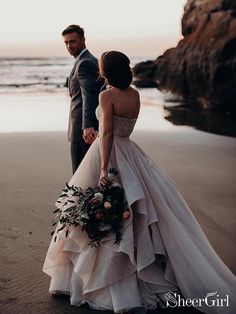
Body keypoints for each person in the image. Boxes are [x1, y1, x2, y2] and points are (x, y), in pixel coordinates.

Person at [43, 51, 236, 313]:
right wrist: (100, 136)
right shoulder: (134, 94)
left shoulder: (106, 95)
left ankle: (104, 285)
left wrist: (103, 169)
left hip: (109, 153)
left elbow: (109, 132)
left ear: (105, 72)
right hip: (130, 152)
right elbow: (120, 129)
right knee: (132, 214)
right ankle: (138, 272)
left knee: (102, 215)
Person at [62, 24, 104, 173]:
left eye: (73, 41)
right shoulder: (83, 61)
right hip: (81, 128)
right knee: (85, 176)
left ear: (83, 40)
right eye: (66, 42)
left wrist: (88, 126)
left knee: (81, 176)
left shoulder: (85, 62)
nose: (69, 46)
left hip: (83, 131)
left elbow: (89, 96)